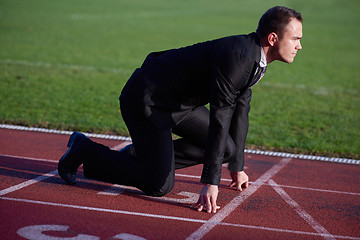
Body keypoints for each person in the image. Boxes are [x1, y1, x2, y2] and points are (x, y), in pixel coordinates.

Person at [58, 6, 303, 213]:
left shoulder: (254, 57)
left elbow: (241, 108)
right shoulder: (240, 57)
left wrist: (237, 165)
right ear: (272, 39)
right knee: (159, 185)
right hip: (148, 101)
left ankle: (138, 157)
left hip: (179, 104)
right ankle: (85, 150)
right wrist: (211, 181)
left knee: (226, 148)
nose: (299, 46)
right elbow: (221, 116)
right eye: (295, 39)